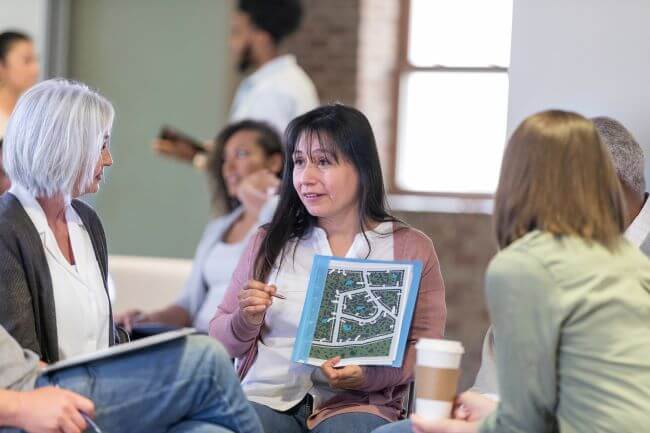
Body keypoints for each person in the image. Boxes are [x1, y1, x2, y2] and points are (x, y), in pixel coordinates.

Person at [372, 110, 650, 433]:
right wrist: (490, 406)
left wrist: (471, 427)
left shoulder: (523, 266)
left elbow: (524, 423)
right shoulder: (629, 263)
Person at [210, 104, 446, 433]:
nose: (306, 177)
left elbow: (424, 347)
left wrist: (369, 376)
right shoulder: (269, 241)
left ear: (361, 167)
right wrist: (244, 320)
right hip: (266, 396)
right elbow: (220, 338)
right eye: (299, 162)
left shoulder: (409, 247)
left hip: (356, 402)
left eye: (323, 162)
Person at [116, 120, 284, 334]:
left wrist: (252, 192)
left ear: (274, 162)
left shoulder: (287, 221)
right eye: (224, 159)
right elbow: (187, 307)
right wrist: (145, 319)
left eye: (241, 155)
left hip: (240, 344)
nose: (229, 168)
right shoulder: (219, 227)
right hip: (198, 337)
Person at [0, 78, 125, 363]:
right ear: (65, 146)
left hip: (100, 394)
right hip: (50, 401)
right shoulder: (6, 230)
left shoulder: (87, 221)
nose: (108, 159)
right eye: (102, 145)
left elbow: (100, 337)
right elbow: (22, 361)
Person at [0, 325, 264, 433]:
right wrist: (19, 407)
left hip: (38, 378)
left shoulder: (86, 225)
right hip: (24, 399)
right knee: (206, 361)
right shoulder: (11, 222)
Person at [154, 0, 318, 169]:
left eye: (237, 32)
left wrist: (200, 158)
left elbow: (258, 170)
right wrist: (197, 154)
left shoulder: (274, 91)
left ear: (261, 36)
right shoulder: (277, 83)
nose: (231, 43)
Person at [0, 31, 39, 193]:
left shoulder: (32, 118)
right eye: (27, 61)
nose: (35, 69)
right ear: (2, 65)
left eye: (36, 60)